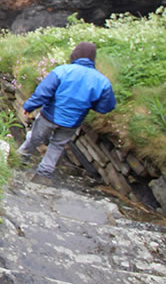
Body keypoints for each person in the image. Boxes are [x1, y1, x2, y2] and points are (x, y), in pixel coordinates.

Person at [18, 41, 116, 182]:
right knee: (57, 145)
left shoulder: (62, 71)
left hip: (49, 116)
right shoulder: (102, 81)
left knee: (35, 138)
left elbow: (44, 92)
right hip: (72, 122)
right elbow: (106, 107)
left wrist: (29, 106)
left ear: (75, 54)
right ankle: (43, 175)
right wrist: (90, 104)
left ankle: (20, 159)